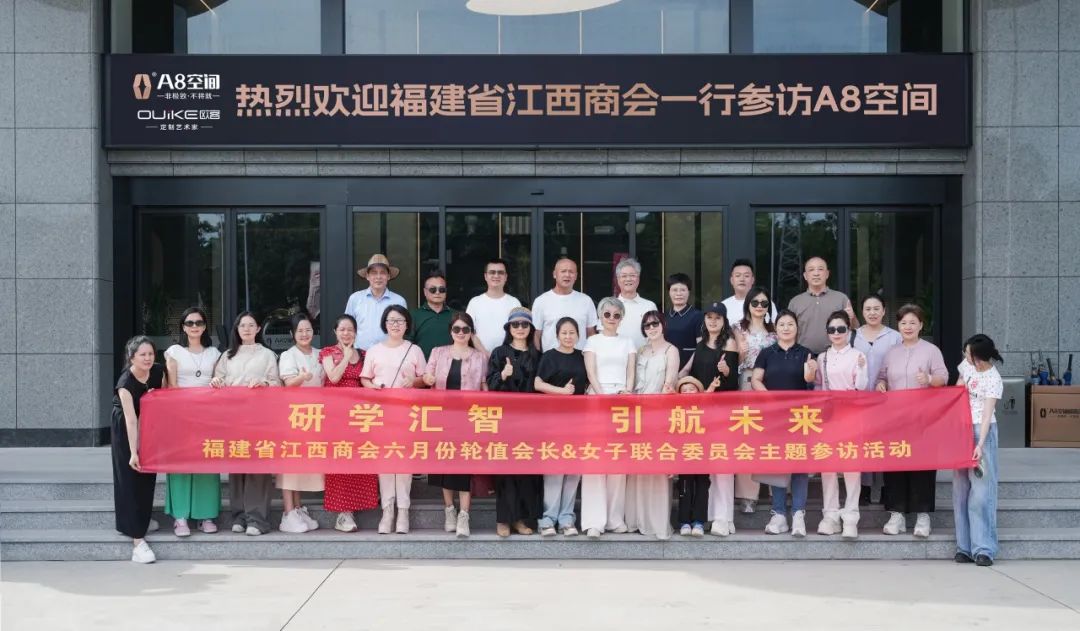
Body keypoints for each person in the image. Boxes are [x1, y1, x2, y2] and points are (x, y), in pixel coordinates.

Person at [875, 303, 949, 538]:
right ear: (898, 325)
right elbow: (882, 376)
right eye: (903, 322)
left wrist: (929, 379)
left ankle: (922, 515)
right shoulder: (892, 352)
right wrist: (881, 384)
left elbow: (943, 377)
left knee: (922, 465)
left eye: (912, 323)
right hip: (895, 418)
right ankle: (896, 514)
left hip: (923, 419)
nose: (908, 327)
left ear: (921, 325)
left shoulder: (931, 350)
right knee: (895, 463)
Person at [210, 312, 281, 536]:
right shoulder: (227, 355)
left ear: (258, 329)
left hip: (259, 417)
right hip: (233, 417)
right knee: (237, 466)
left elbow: (277, 384)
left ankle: (257, 519)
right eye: (243, 325)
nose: (247, 329)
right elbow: (218, 380)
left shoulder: (267, 355)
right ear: (237, 329)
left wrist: (264, 383)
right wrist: (216, 381)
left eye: (251, 325)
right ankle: (239, 516)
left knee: (257, 468)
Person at [361, 305, 428, 534]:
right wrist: (374, 386)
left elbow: (424, 378)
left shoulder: (414, 350)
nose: (395, 324)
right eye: (391, 320)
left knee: (404, 463)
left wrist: (414, 382)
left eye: (400, 320)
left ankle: (403, 511)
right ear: (384, 324)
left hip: (407, 413)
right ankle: (387, 511)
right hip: (381, 413)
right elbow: (365, 379)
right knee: (385, 463)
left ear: (407, 324)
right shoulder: (374, 350)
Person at [752, 309, 817, 537]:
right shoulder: (767, 353)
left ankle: (798, 513)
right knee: (776, 463)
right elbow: (756, 379)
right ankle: (778, 514)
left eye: (790, 324)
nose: (786, 328)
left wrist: (811, 372)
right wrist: (770, 398)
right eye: (782, 324)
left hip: (800, 418)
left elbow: (810, 382)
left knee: (799, 464)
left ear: (797, 328)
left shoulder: (806, 353)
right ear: (776, 328)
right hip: (774, 416)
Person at [423, 312, 487, 538]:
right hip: (442, 417)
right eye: (457, 329)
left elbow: (484, 386)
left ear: (471, 332)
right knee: (445, 464)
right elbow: (427, 376)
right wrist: (428, 379)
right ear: (450, 331)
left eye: (465, 329)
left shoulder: (480, 357)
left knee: (464, 466)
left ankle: (464, 515)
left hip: (468, 418)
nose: (461, 333)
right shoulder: (438, 352)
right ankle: (449, 510)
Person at [680, 301, 739, 537]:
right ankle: (709, 515)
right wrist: (671, 382)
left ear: (724, 321)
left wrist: (726, 370)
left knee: (722, 464)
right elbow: (687, 371)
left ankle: (724, 518)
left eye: (718, 318)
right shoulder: (700, 344)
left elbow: (732, 380)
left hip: (722, 410)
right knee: (707, 465)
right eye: (709, 317)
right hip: (700, 412)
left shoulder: (730, 343)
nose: (713, 321)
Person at [162, 307, 221, 538]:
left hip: (209, 414)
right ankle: (180, 517)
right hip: (180, 414)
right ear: (183, 327)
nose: (194, 326)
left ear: (205, 326)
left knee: (207, 462)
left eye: (198, 322)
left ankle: (206, 515)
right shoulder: (174, 352)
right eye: (189, 323)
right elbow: (171, 385)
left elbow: (219, 379)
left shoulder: (214, 353)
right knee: (180, 464)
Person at [581, 297, 637, 538]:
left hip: (622, 400)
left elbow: (630, 372)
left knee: (617, 459)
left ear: (622, 318)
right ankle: (594, 521)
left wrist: (627, 391)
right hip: (597, 398)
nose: (611, 319)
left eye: (616, 315)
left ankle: (614, 518)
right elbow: (591, 372)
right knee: (595, 458)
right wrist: (602, 396)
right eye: (607, 314)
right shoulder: (592, 341)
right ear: (600, 316)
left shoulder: (628, 342)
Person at [486, 307, 544, 537]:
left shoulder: (537, 355)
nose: (520, 328)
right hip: (505, 421)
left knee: (527, 472)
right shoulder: (499, 353)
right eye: (515, 324)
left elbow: (542, 386)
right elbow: (490, 383)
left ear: (530, 328)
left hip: (531, 422)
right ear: (509, 328)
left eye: (524, 324)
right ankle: (503, 520)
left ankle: (520, 519)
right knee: (505, 471)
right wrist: (503, 375)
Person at [320, 315, 379, 533]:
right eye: (342, 329)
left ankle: (357, 507)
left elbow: (367, 380)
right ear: (335, 332)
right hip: (336, 415)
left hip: (360, 416)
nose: (346, 333)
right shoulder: (327, 352)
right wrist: (345, 356)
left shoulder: (364, 354)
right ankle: (342, 513)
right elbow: (333, 377)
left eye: (350, 329)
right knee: (340, 460)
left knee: (360, 459)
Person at [534, 317, 589, 537]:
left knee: (573, 471)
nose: (568, 336)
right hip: (553, 420)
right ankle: (548, 519)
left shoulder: (583, 356)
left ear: (578, 335)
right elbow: (537, 383)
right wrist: (561, 392)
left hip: (579, 421)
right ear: (557, 335)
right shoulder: (549, 356)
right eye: (564, 333)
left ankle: (567, 518)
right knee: (554, 470)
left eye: (572, 332)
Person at [112, 335, 166, 563]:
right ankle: (137, 542)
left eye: (150, 354)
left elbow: (164, 399)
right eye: (142, 354)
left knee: (147, 474)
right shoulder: (125, 383)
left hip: (149, 425)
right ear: (131, 357)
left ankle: (139, 520)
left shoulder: (158, 371)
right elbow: (131, 420)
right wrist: (134, 451)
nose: (147, 358)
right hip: (127, 429)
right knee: (131, 477)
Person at [815, 310, 868, 539]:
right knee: (828, 466)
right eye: (832, 329)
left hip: (851, 414)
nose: (836, 333)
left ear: (849, 331)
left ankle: (851, 515)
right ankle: (830, 515)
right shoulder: (822, 357)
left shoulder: (857, 355)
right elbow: (818, 386)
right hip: (829, 415)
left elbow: (862, 386)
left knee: (851, 466)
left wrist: (862, 367)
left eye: (841, 329)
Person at [626, 310, 678, 540]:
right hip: (637, 414)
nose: (652, 328)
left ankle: (657, 522)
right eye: (647, 325)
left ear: (663, 325)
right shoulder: (640, 351)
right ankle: (638, 520)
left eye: (655, 323)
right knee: (639, 464)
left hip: (659, 413)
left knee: (657, 466)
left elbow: (670, 382)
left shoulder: (671, 350)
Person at [954, 334, 1004, 567]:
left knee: (982, 492)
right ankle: (963, 547)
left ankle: (984, 548)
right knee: (961, 489)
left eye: (969, 354)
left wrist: (980, 444)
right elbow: (957, 388)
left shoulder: (993, 379)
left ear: (979, 358)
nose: (965, 357)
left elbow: (986, 415)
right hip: (961, 429)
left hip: (981, 432)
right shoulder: (967, 365)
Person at [276, 313, 326, 534]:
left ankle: (298, 508)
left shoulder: (320, 354)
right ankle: (287, 513)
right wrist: (301, 378)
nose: (304, 334)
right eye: (300, 331)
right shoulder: (288, 355)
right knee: (290, 465)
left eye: (308, 330)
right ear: (292, 334)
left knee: (303, 464)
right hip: (294, 415)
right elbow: (288, 383)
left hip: (315, 416)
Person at [731, 286, 777, 515]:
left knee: (772, 437)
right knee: (747, 437)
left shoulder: (775, 330)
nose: (759, 307)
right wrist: (740, 350)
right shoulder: (737, 328)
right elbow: (732, 360)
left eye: (764, 303)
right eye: (755, 302)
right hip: (747, 382)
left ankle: (776, 492)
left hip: (771, 385)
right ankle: (747, 495)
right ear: (747, 304)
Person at [852, 295, 902, 504]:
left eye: (876, 308)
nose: (872, 313)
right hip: (859, 399)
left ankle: (884, 488)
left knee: (883, 444)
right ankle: (863, 488)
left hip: (886, 399)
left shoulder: (895, 336)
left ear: (883, 311)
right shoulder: (853, 335)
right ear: (862, 311)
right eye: (868, 309)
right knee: (862, 443)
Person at [787, 257, 856, 355]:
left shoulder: (841, 298)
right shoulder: (795, 302)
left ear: (827, 274)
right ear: (805, 276)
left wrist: (852, 318)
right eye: (811, 270)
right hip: (802, 356)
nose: (816, 273)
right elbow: (788, 332)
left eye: (820, 269)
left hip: (835, 356)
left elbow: (854, 329)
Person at [531, 257, 598, 351]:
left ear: (576, 276)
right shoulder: (541, 301)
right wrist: (537, 357)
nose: (567, 275)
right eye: (563, 271)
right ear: (555, 274)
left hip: (580, 358)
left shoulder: (586, 301)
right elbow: (536, 334)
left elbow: (591, 333)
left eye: (571, 272)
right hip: (550, 358)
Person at [344, 253, 407, 351]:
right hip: (360, 354)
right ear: (367, 276)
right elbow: (347, 327)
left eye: (382, 273)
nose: (378, 277)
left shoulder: (399, 301)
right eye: (374, 273)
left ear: (388, 276)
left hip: (389, 353)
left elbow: (402, 330)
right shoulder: (355, 298)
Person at [466, 258, 522, 355]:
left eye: (500, 272)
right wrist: (485, 354)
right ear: (485, 276)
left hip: (508, 358)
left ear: (506, 277)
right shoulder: (475, 302)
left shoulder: (514, 303)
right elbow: (469, 332)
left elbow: (520, 332)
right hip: (480, 357)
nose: (496, 275)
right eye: (492, 272)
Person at [613, 258, 658, 348]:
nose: (628, 279)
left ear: (638, 278)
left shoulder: (650, 306)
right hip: (616, 355)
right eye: (624, 276)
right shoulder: (610, 306)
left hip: (644, 355)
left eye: (632, 275)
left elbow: (657, 334)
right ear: (618, 279)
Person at [410, 270, 453, 359]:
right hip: (422, 366)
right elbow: (408, 344)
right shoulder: (414, 315)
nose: (437, 292)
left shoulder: (456, 316)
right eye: (433, 289)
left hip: (450, 365)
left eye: (442, 289)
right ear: (425, 292)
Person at [664, 273, 704, 368]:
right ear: (669, 292)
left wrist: (685, 370)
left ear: (688, 292)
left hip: (690, 369)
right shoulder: (664, 316)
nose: (679, 294)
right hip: (666, 367)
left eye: (683, 290)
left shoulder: (698, 316)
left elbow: (701, 347)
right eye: (674, 290)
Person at [722, 259, 777, 328]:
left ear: (753, 280)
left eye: (746, 276)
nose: (742, 279)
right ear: (731, 280)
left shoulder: (764, 303)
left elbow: (776, 328)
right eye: (738, 275)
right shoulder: (724, 306)